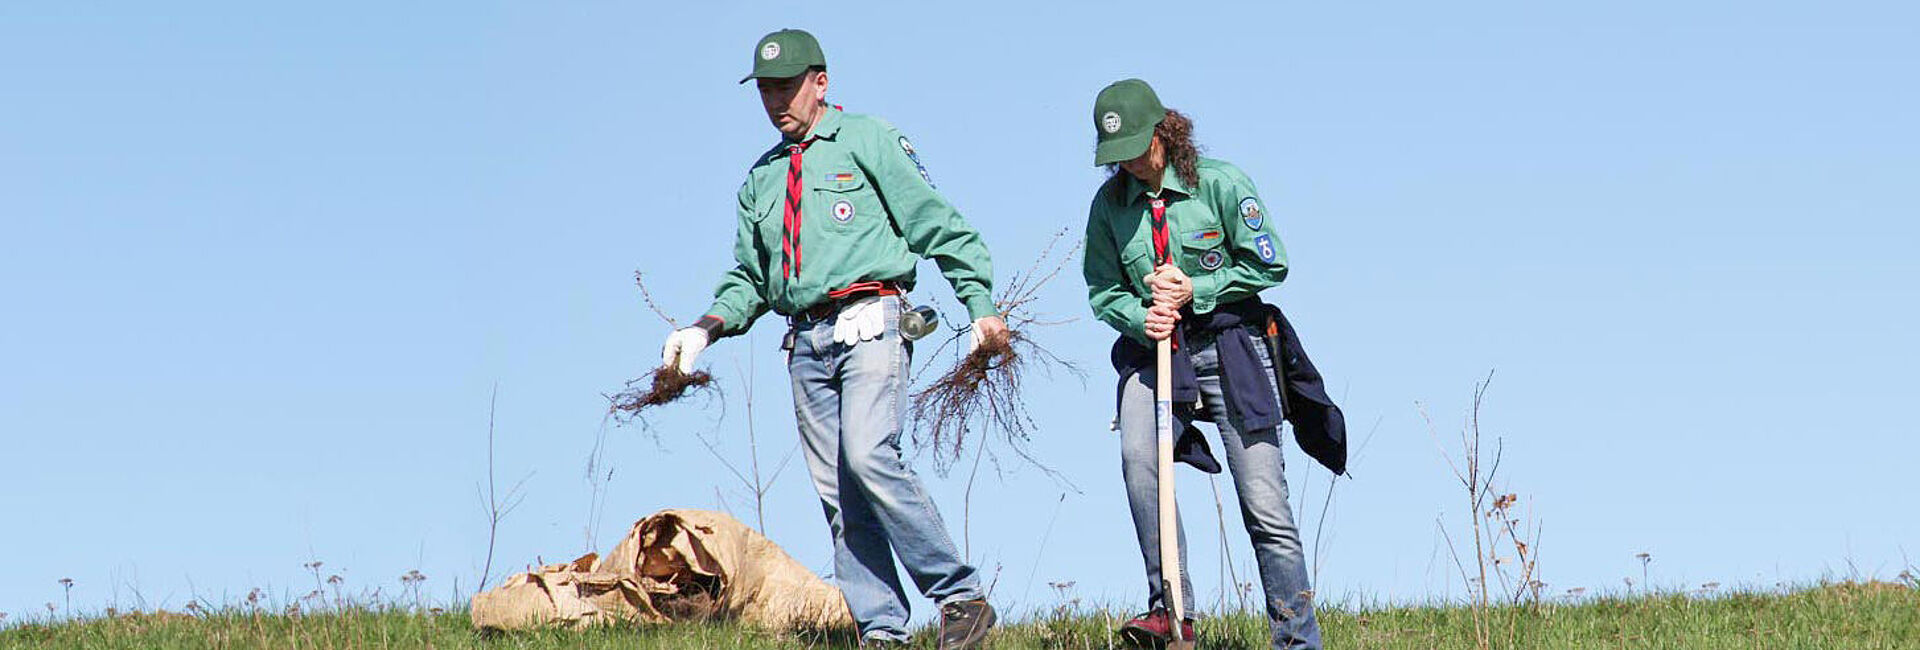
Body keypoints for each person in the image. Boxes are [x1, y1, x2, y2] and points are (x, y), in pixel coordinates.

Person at [657, 29, 1003, 649]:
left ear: (821, 82)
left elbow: (937, 222)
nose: (776, 101)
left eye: (787, 87)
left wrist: (979, 305)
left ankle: (961, 598)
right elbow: (751, 278)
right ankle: (882, 632)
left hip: (872, 320)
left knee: (871, 456)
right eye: (765, 90)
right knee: (840, 494)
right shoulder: (761, 179)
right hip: (805, 343)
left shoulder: (869, 140)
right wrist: (704, 328)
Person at [1081, 78, 1332, 649]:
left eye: (1135, 150)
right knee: (1139, 458)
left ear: (1163, 133)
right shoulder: (1109, 207)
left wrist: (1200, 285)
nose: (1126, 165)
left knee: (1263, 503)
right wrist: (1137, 316)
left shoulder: (1219, 184)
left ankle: (1296, 638)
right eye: (1113, 157)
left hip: (1231, 346)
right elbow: (1101, 287)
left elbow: (1272, 265)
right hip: (1156, 352)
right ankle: (1171, 611)